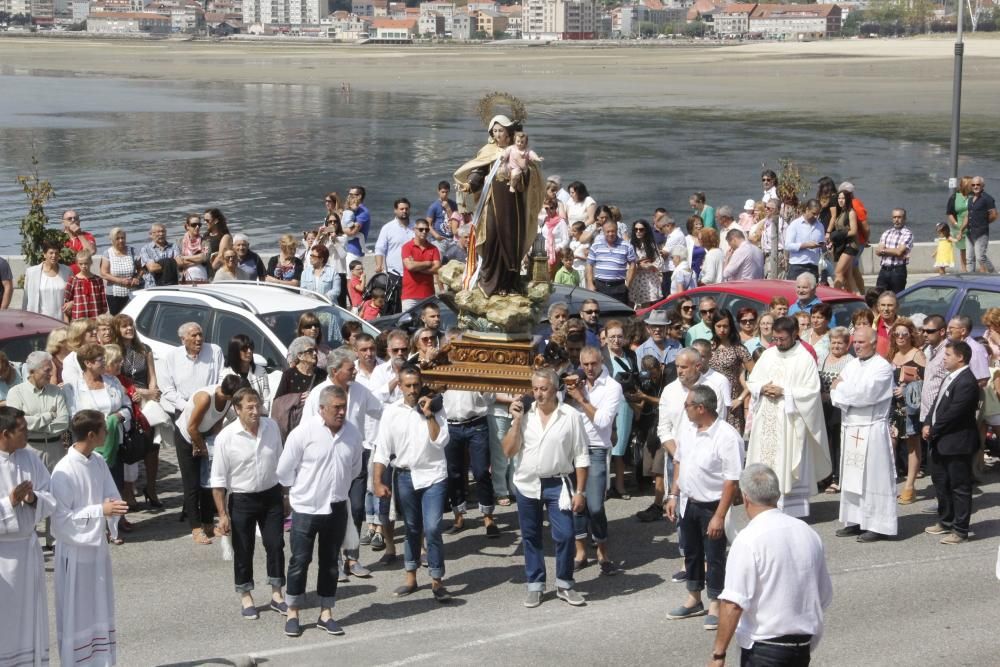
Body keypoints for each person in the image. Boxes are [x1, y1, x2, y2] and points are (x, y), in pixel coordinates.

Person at [709, 464, 833, 667]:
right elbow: (824, 595)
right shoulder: (807, 532)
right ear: (776, 495)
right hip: (802, 646)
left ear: (746, 497)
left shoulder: (748, 540)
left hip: (765, 648)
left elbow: (733, 603)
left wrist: (718, 654)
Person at [275, 385, 362, 637]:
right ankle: (293, 613)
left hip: (336, 508)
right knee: (299, 561)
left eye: (344, 406)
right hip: (306, 508)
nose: (342, 412)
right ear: (322, 408)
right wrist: (297, 495)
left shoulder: (353, 434)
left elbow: (354, 469)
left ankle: (326, 613)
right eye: (336, 407)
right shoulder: (303, 433)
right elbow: (284, 471)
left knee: (331, 563)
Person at [503, 369, 589, 608]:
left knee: (565, 534)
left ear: (555, 389)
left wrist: (580, 491)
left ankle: (564, 583)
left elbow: (581, 456)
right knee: (530, 536)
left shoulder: (570, 415)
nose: (539, 394)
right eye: (536, 389)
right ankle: (535, 585)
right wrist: (517, 421)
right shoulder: (524, 414)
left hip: (557, 483)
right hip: (527, 483)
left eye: (544, 389)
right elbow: (508, 451)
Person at [52, 409, 128, 667]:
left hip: (96, 549)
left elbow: (110, 494)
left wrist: (111, 507)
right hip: (74, 553)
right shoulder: (64, 470)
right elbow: (61, 521)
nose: (108, 434)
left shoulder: (96, 461)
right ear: (92, 434)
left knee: (99, 608)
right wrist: (100, 511)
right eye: (104, 431)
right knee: (78, 613)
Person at [665, 385, 744, 629]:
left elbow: (731, 480)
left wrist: (719, 516)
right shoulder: (688, 429)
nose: (684, 409)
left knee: (715, 556)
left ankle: (715, 603)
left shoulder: (727, 436)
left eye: (687, 405)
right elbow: (679, 461)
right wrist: (673, 495)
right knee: (692, 552)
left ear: (701, 408)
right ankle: (693, 598)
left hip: (713, 505)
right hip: (688, 502)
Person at [372, 366, 452, 603]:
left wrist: (428, 415)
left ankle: (437, 580)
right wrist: (377, 481)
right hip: (405, 476)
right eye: (408, 385)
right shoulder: (391, 412)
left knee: (433, 528)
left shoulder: (435, 408)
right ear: (399, 385)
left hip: (433, 476)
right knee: (411, 528)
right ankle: (411, 577)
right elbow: (382, 450)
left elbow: (440, 440)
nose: (413, 390)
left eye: (416, 385)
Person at [301, 349, 382, 578]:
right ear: (335, 372)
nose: (355, 371)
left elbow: (380, 411)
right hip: (327, 463)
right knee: (332, 512)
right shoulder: (318, 394)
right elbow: (305, 431)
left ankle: (352, 558)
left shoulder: (359, 390)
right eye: (350, 369)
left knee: (356, 508)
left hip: (355, 458)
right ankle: (333, 557)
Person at [210, 387, 287, 620]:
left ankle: (277, 594)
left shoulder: (271, 427)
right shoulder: (227, 436)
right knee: (244, 550)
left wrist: (285, 496)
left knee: (275, 545)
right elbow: (218, 479)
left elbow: (281, 462)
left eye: (258, 406)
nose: (255, 411)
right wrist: (222, 514)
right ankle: (246, 595)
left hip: (271, 496)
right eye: (249, 407)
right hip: (242, 499)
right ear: (237, 409)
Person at [746, 317, 831, 518]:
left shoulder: (804, 358)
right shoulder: (767, 355)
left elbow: (811, 391)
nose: (778, 343)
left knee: (787, 462)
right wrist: (762, 387)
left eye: (782, 339)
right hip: (767, 419)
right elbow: (753, 381)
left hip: (790, 421)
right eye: (775, 338)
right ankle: (763, 508)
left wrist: (785, 392)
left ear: (795, 335)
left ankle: (790, 512)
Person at [454, 116, 545, 297]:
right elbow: (479, 171)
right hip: (493, 202)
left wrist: (525, 170)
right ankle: (489, 280)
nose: (497, 135)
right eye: (494, 131)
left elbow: (532, 175)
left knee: (512, 239)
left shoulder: (520, 150)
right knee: (492, 235)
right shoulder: (489, 151)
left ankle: (508, 282)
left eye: (500, 131)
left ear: (509, 132)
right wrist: (469, 185)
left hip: (514, 204)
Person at [0, 406, 56, 667]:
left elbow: (50, 496)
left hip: (27, 550)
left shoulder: (30, 457)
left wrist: (33, 498)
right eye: (22, 430)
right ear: (4, 434)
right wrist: (10, 501)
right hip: (3, 555)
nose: (27, 433)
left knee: (29, 616)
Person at [831, 325, 897, 543]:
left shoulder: (882, 367)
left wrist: (842, 389)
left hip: (871, 429)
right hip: (851, 427)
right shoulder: (851, 364)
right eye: (855, 342)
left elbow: (865, 394)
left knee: (872, 478)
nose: (857, 346)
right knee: (851, 476)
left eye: (861, 342)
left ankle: (878, 524)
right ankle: (856, 520)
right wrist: (842, 389)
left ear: (874, 342)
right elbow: (834, 388)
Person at [564, 346, 623, 575]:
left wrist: (581, 398)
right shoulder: (574, 382)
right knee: (577, 504)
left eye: (594, 364)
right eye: (585, 364)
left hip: (597, 449)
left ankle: (603, 553)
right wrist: (568, 395)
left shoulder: (612, 387)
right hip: (573, 449)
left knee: (596, 506)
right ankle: (580, 553)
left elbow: (602, 421)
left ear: (601, 362)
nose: (589, 368)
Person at [922, 341, 980, 544]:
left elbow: (954, 414)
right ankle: (946, 521)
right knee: (941, 483)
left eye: (947, 354)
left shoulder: (967, 382)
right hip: (940, 440)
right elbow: (936, 405)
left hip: (957, 443)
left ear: (960, 358)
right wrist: (927, 422)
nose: (944, 358)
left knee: (959, 486)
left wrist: (933, 430)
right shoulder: (950, 376)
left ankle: (960, 530)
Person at [176, 375, 243, 545]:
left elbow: (217, 422)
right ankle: (196, 528)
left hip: (204, 437)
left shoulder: (227, 400)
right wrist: (201, 448)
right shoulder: (206, 398)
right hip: (186, 437)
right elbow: (191, 427)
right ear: (230, 395)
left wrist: (215, 444)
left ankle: (207, 524)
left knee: (208, 482)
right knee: (192, 485)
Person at [889, 318, 926, 505]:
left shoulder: (917, 354)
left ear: (911, 335)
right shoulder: (893, 354)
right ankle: (890, 483)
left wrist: (908, 389)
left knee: (913, 444)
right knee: (891, 443)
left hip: (910, 407)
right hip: (893, 407)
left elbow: (926, 382)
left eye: (904, 334)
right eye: (897, 334)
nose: (900, 337)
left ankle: (910, 486)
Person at [708, 309, 753, 434]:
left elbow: (755, 376)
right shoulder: (708, 347)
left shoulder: (738, 349)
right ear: (713, 327)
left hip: (732, 403)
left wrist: (740, 398)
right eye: (719, 326)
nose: (722, 330)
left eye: (725, 326)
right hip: (711, 401)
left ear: (731, 327)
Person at [819, 327, 852, 495]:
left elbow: (847, 385)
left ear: (847, 345)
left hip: (838, 409)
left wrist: (831, 393)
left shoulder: (850, 361)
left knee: (837, 444)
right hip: (822, 407)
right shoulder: (822, 359)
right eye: (834, 342)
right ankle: (825, 474)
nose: (836, 346)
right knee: (825, 442)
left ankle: (837, 478)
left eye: (840, 342)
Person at [587, 219, 637, 303]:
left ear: (617, 231)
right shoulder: (596, 245)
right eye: (608, 231)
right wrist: (590, 283)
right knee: (600, 314)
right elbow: (589, 264)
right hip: (599, 286)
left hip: (619, 287)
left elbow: (632, 264)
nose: (610, 234)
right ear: (603, 231)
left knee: (619, 314)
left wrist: (628, 284)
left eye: (613, 231)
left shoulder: (627, 246)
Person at [222, 334, 271, 415]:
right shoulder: (225, 374)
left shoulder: (261, 371)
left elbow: (266, 399)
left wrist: (260, 417)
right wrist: (240, 420)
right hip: (235, 422)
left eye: (251, 348)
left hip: (258, 418)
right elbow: (225, 404)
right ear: (235, 351)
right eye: (244, 349)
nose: (249, 351)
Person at [23, 241, 73, 320]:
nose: (54, 256)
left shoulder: (67, 271)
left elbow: (73, 294)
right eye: (51, 253)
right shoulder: (32, 272)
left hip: (61, 319)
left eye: (56, 253)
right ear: (44, 254)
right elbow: (26, 298)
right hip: (40, 320)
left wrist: (72, 303)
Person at [400, 218, 441, 311]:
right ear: (415, 229)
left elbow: (437, 269)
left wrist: (417, 267)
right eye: (421, 229)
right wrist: (428, 263)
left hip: (428, 295)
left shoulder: (433, 248)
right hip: (410, 296)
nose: (424, 232)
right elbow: (410, 266)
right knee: (408, 324)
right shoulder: (407, 247)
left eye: (427, 230)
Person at [98, 228, 141, 315]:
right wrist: (120, 281)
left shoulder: (132, 251)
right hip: (114, 294)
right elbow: (103, 273)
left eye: (123, 238)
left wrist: (137, 278)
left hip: (132, 292)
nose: (121, 240)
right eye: (117, 238)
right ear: (112, 240)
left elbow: (141, 269)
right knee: (117, 320)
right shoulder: (107, 253)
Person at [784, 199, 826, 282]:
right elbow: (788, 245)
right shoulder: (795, 224)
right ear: (807, 210)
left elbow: (821, 248)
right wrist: (806, 245)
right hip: (797, 266)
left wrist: (825, 247)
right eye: (813, 214)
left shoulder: (820, 226)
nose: (816, 217)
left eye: (818, 214)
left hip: (813, 266)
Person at [826, 188, 860, 292]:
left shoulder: (851, 212)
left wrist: (838, 235)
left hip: (850, 246)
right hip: (843, 245)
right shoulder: (842, 212)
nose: (840, 200)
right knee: (847, 275)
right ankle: (854, 297)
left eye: (843, 198)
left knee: (838, 272)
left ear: (848, 199)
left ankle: (835, 295)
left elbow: (854, 231)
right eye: (839, 198)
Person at [964, 176, 997, 273]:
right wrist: (961, 230)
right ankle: (971, 278)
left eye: (978, 184)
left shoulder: (988, 199)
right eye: (973, 185)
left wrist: (984, 222)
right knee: (969, 259)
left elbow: (994, 215)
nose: (975, 187)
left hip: (981, 233)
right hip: (969, 232)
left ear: (983, 185)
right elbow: (968, 215)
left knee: (980, 257)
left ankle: (994, 274)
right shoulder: (970, 199)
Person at [64, 250, 108, 322]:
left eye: (86, 263)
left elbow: (103, 302)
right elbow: (66, 303)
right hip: (79, 319)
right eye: (81, 264)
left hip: (95, 317)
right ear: (77, 264)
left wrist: (102, 318)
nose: (83, 266)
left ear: (91, 262)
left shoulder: (97, 280)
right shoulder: (73, 280)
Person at [628, 219, 663, 306]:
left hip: (649, 277)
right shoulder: (630, 245)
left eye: (641, 229)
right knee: (631, 302)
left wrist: (651, 265)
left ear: (646, 230)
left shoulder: (651, 244)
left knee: (647, 304)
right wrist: (640, 266)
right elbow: (627, 263)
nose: (638, 232)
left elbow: (659, 260)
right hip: (634, 277)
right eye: (636, 229)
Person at [139, 222, 185, 288]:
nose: (161, 234)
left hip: (172, 285)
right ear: (151, 234)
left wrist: (160, 264)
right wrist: (170, 264)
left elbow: (180, 263)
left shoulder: (173, 246)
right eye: (158, 232)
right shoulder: (146, 249)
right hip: (153, 287)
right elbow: (152, 268)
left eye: (163, 231)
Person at [946, 176, 972, 272]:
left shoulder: (973, 196)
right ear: (965, 185)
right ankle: (964, 271)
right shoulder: (954, 197)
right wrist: (956, 224)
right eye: (971, 185)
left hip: (973, 227)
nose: (973, 186)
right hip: (959, 229)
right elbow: (949, 213)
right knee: (963, 251)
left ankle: (972, 270)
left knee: (973, 251)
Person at [61, 209, 97, 274]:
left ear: (79, 221)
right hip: (64, 273)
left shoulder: (87, 236)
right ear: (63, 222)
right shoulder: (59, 238)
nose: (73, 220)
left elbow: (91, 251)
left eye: (76, 218)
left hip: (82, 274)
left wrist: (79, 234)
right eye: (69, 219)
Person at [343, 186, 371, 265]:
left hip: (353, 253)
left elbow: (352, 232)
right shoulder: (349, 209)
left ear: (359, 196)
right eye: (349, 194)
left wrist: (338, 229)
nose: (349, 197)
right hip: (345, 249)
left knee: (350, 277)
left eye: (352, 195)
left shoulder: (363, 212)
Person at [426, 181, 458, 249]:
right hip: (439, 239)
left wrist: (448, 209)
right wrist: (436, 235)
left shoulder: (454, 204)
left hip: (452, 239)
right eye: (443, 192)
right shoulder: (433, 206)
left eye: (446, 192)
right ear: (438, 191)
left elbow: (455, 221)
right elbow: (427, 224)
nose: (445, 194)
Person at [204, 208, 233, 277]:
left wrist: (208, 273)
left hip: (216, 272)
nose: (205, 223)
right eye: (204, 220)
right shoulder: (206, 235)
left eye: (207, 220)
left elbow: (220, 257)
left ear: (216, 221)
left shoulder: (225, 237)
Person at [873, 291, 899, 359]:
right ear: (878, 307)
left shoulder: (905, 326)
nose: (886, 309)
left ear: (897, 307)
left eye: (890, 305)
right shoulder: (871, 325)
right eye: (883, 305)